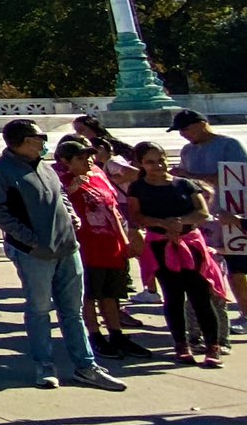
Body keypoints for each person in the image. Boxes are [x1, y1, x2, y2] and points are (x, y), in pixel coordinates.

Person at [0, 119, 126, 391]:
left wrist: (71, 217)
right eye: (40, 137)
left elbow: (61, 194)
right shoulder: (0, 172)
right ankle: (44, 365)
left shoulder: (44, 166)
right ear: (24, 141)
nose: (44, 142)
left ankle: (86, 366)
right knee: (39, 310)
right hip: (34, 253)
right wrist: (31, 240)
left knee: (73, 311)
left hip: (67, 247)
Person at [125, 139, 227, 367]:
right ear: (141, 164)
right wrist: (163, 224)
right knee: (173, 296)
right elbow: (136, 216)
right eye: (151, 162)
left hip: (190, 244)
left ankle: (213, 346)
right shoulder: (138, 188)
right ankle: (181, 344)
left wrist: (180, 223)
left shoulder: (185, 185)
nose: (158, 166)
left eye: (161, 160)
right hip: (161, 245)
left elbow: (201, 212)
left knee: (201, 296)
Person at [52, 136, 148, 362]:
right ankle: (94, 335)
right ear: (66, 161)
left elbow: (113, 207)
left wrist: (125, 238)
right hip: (85, 246)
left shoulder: (97, 173)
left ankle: (116, 334)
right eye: (81, 158)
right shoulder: (60, 180)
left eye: (89, 156)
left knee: (112, 294)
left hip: (111, 244)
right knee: (89, 294)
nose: (88, 161)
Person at [174, 109, 247, 338]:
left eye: (186, 129)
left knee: (238, 270)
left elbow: (236, 177)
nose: (184, 135)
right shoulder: (187, 150)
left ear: (201, 124)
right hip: (204, 220)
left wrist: (190, 176)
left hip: (232, 215)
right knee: (208, 271)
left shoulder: (229, 145)